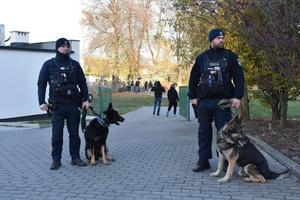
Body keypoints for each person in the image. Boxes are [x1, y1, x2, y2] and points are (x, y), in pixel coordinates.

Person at [188, 29, 244, 172]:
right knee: (203, 131)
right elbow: (193, 78)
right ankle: (203, 160)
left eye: (223, 38)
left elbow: (239, 77)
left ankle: (225, 161)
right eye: (218, 38)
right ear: (211, 40)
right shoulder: (202, 58)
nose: (221, 40)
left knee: (224, 133)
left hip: (223, 101)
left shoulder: (230, 57)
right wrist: (192, 96)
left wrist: (237, 96)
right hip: (204, 101)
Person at [37, 38, 91, 170]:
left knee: (74, 134)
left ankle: (75, 158)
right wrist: (41, 102)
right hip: (57, 106)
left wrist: (86, 99)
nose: (65, 48)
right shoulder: (48, 64)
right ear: (57, 48)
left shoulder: (75, 65)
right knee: (56, 135)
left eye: (67, 46)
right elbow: (41, 84)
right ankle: (56, 160)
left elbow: (82, 83)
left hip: (72, 104)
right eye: (62, 46)